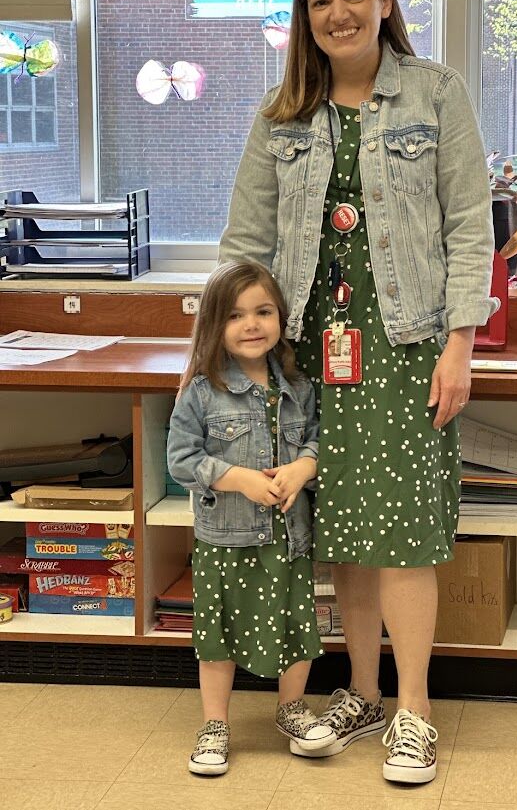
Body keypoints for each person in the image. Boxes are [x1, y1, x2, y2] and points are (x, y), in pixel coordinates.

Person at [217, 0, 499, 786]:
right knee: (341, 528)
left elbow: (467, 230)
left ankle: (413, 707)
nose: (335, 14)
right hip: (308, 353)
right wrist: (240, 358)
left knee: (405, 528)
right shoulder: (282, 115)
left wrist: (460, 346)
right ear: (303, 19)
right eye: (317, 2)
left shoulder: (435, 93)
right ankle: (364, 690)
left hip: (409, 346)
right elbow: (244, 245)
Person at [167, 260, 336, 777]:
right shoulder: (201, 390)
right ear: (215, 324)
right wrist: (237, 478)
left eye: (263, 311)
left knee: (296, 626)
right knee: (217, 634)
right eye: (236, 315)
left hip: (286, 538)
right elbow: (181, 458)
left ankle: (290, 710)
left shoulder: (299, 387)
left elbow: (316, 438)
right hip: (225, 537)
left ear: (280, 317)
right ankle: (215, 724)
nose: (252, 324)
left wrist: (304, 466)